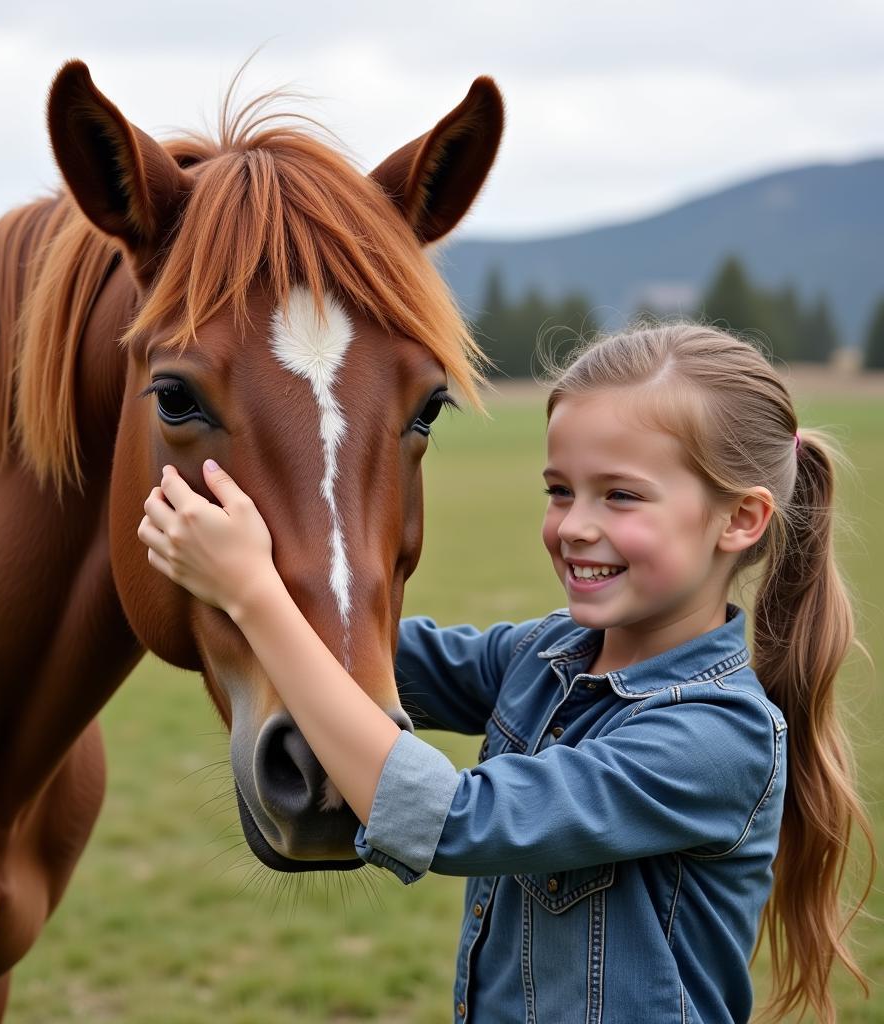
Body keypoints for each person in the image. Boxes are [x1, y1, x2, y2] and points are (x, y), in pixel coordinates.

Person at [137, 323, 873, 1023]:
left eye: (619, 494)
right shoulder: (550, 653)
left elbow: (451, 821)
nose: (573, 525)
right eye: (560, 490)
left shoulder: (718, 737)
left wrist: (254, 595)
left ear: (740, 519)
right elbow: (362, 654)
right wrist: (275, 571)